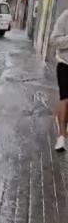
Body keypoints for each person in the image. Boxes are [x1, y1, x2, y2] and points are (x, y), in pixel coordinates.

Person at [51, 8, 68, 151]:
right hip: (65, 64)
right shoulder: (66, 16)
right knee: (65, 99)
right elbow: (54, 40)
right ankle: (61, 137)